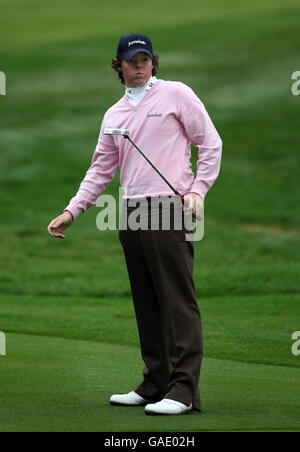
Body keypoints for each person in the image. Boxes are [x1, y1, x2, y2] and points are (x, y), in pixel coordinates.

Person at [47, 33, 222, 415]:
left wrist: (199, 189)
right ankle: (156, 382)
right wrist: (72, 210)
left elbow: (210, 143)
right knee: (147, 302)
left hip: (168, 207)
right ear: (119, 65)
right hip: (130, 210)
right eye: (132, 59)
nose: (140, 65)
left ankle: (184, 390)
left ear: (153, 62)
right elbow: (100, 170)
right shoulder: (114, 114)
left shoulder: (176, 94)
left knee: (177, 300)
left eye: (145, 58)